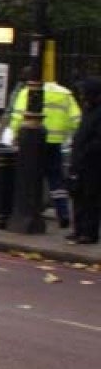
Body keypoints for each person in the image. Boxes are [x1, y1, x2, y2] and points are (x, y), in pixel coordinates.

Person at [7, 76, 82, 230]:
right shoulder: (65, 94)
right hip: (55, 141)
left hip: (31, 142)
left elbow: (18, 115)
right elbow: (76, 119)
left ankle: (30, 209)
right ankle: (63, 213)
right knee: (56, 179)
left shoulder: (28, 91)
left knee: (30, 178)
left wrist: (16, 134)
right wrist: (70, 136)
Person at [66, 77, 101, 245]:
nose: (81, 96)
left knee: (90, 198)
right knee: (77, 194)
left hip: (93, 164)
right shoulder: (88, 109)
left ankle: (89, 232)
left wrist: (86, 151)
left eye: (84, 92)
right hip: (79, 160)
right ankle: (78, 229)